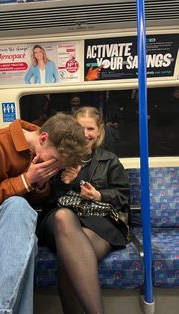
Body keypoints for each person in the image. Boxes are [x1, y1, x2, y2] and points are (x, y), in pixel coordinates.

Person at [0, 113, 87, 314]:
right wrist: (26, 180)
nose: (54, 167)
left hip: (19, 220)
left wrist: (40, 185)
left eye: (58, 166)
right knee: (18, 210)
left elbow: (35, 204)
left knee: (27, 238)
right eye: (54, 161)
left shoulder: (45, 155)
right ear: (43, 139)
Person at [38, 106, 130, 314]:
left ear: (99, 131)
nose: (86, 134)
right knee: (63, 217)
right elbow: (46, 198)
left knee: (69, 256)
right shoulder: (56, 158)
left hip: (98, 219)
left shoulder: (110, 161)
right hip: (60, 220)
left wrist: (99, 195)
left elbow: (123, 196)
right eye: (81, 128)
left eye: (91, 129)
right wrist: (64, 183)